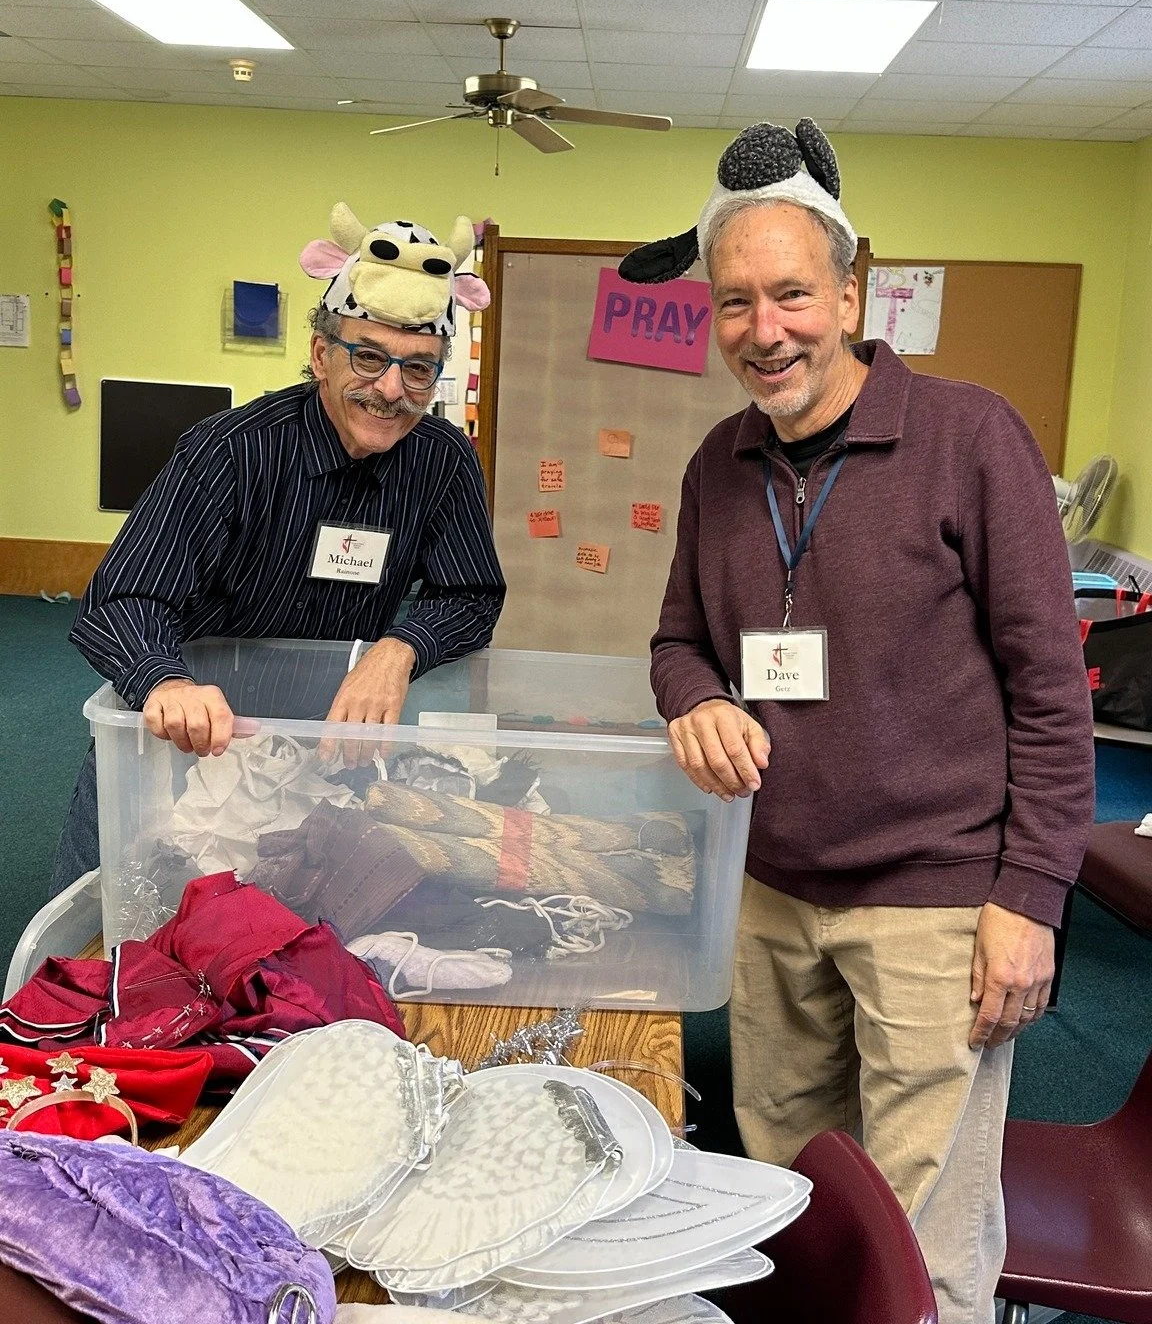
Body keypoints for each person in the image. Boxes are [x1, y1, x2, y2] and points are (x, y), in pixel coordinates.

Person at [620, 121, 1095, 1324]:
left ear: (849, 290)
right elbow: (678, 641)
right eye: (735, 303)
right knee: (792, 1202)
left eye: (789, 294)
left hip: (936, 900)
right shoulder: (716, 467)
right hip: (774, 888)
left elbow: (1050, 692)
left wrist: (1030, 898)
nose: (763, 331)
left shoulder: (971, 437)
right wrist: (699, 697)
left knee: (925, 1236)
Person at [50, 203, 505, 893]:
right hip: (186, 739)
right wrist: (165, 682)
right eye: (369, 357)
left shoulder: (442, 461)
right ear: (322, 354)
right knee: (112, 929)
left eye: (418, 369)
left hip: (324, 750)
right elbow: (122, 599)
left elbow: (470, 594)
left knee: (281, 941)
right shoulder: (228, 452)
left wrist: (400, 648)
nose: (390, 390)